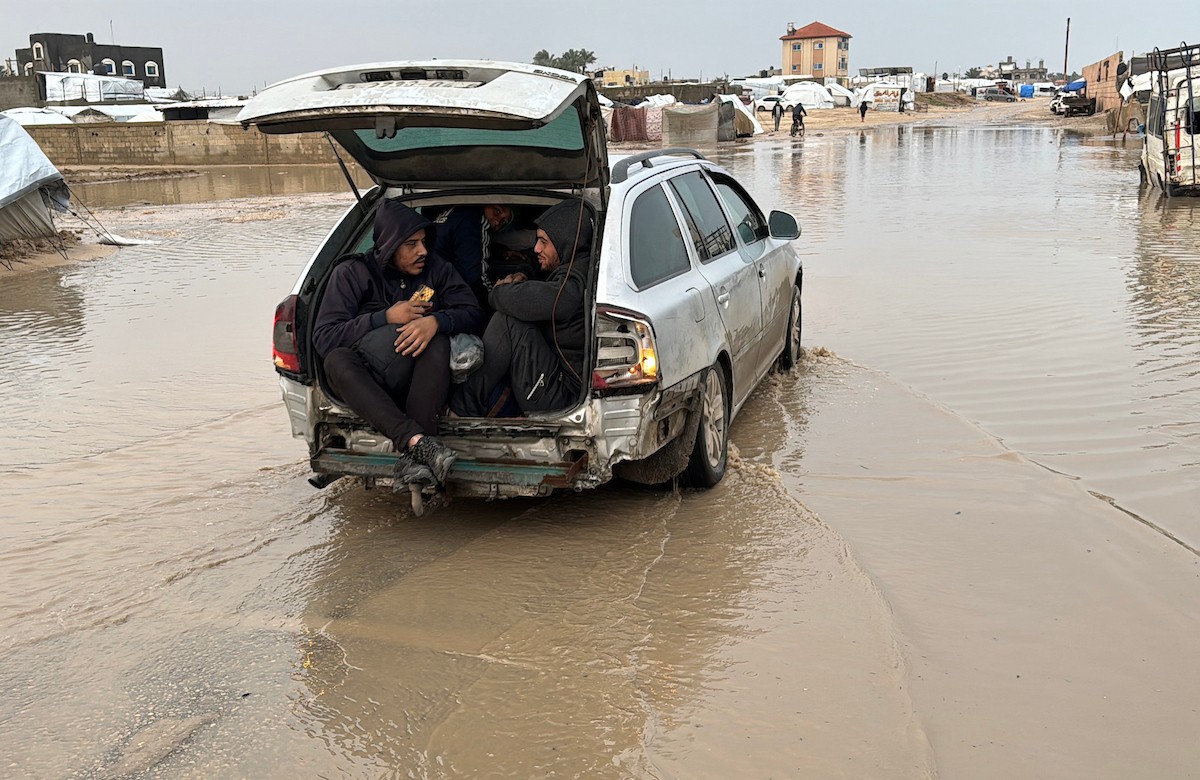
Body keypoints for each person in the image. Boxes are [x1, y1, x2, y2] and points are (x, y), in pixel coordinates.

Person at [313, 199, 485, 490]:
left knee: (438, 342)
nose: (423, 251)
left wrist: (436, 322)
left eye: (423, 242)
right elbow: (324, 337)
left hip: (420, 383)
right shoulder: (352, 274)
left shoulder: (436, 269)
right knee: (336, 360)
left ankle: (417, 454)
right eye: (412, 245)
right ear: (390, 246)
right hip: (367, 385)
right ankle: (418, 444)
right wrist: (384, 317)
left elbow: (473, 311)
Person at [451, 200, 592, 418]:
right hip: (556, 377)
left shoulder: (573, 284)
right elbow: (539, 264)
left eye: (544, 242)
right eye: (537, 241)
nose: (536, 248)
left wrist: (497, 293)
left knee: (507, 322)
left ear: (566, 243)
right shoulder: (577, 262)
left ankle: (461, 410)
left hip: (563, 396)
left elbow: (558, 302)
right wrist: (524, 273)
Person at [432, 204, 537, 307]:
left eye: (503, 221)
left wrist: (500, 252)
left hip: (430, 285)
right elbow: (474, 278)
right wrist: (494, 298)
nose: (497, 221)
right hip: (446, 293)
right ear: (485, 203)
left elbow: (465, 245)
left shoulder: (458, 211)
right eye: (497, 211)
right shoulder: (476, 219)